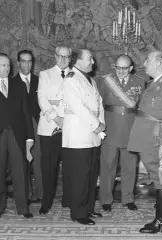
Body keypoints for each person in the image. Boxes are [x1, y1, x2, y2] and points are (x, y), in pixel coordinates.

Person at [127, 51, 162, 234]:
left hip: (157, 141)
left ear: (158, 63)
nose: (144, 63)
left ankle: (161, 220)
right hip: (148, 139)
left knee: (161, 180)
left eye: (148, 60)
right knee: (159, 180)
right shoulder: (155, 83)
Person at [0, 53, 34, 219]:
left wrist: (29, 138)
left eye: (8, 65)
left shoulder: (19, 86)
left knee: (20, 171)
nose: (7, 68)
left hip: (17, 135)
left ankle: (23, 208)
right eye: (3, 65)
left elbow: (26, 113)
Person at [62, 49, 105, 225]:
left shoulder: (90, 80)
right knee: (80, 176)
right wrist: (97, 125)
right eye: (89, 59)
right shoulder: (71, 79)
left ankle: (88, 208)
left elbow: (99, 104)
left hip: (93, 135)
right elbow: (78, 107)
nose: (93, 62)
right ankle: (78, 213)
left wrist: (101, 123)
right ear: (78, 61)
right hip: (79, 134)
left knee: (90, 175)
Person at [97, 55, 145, 212]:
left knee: (130, 166)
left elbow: (142, 107)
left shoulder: (139, 82)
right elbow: (97, 104)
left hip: (131, 129)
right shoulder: (105, 82)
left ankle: (128, 198)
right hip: (110, 128)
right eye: (118, 68)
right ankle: (105, 199)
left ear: (131, 68)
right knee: (107, 165)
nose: (121, 71)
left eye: (125, 68)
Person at [37, 46, 71, 214]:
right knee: (48, 167)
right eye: (60, 56)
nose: (63, 60)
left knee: (70, 166)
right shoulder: (45, 74)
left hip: (72, 128)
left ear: (71, 58)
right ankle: (46, 201)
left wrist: (69, 121)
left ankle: (69, 199)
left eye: (66, 57)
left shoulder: (77, 75)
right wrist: (56, 118)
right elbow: (42, 99)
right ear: (55, 56)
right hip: (50, 126)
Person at [11, 50, 43, 204]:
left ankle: (41, 194)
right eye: (23, 61)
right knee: (22, 160)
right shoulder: (10, 83)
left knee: (38, 159)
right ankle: (26, 194)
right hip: (19, 126)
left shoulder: (40, 81)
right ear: (18, 63)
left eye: (29, 61)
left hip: (37, 125)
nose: (27, 64)